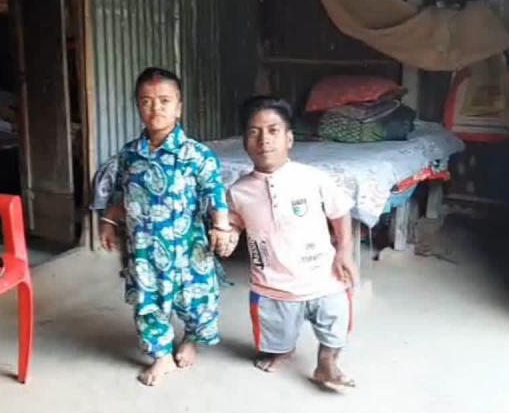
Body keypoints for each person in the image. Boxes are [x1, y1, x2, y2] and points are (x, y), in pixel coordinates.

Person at [99, 67, 236, 386]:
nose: (155, 108)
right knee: (148, 303)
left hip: (189, 248)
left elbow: (215, 192)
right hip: (144, 250)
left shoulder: (197, 155)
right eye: (146, 101)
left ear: (179, 106)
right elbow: (120, 193)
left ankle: (192, 339)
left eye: (164, 100)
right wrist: (108, 221)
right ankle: (161, 356)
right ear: (137, 105)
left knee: (197, 301)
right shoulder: (129, 154)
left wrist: (221, 227)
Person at [219, 95, 358, 389]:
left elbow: (340, 211)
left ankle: (327, 363)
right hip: (272, 282)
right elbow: (234, 221)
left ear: (289, 139)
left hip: (324, 276)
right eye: (254, 132)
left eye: (273, 131)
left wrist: (344, 251)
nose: (264, 140)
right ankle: (281, 350)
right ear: (244, 141)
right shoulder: (238, 191)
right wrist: (228, 234)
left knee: (336, 323)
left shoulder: (312, 178)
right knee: (273, 335)